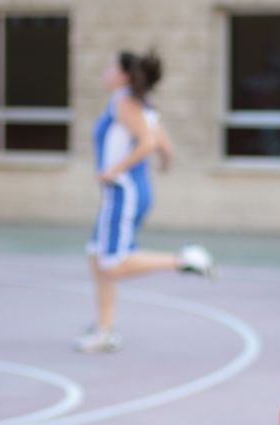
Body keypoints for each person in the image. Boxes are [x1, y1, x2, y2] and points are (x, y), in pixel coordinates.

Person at [73, 50, 214, 354]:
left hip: (124, 192)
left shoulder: (123, 101)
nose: (105, 71)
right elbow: (163, 144)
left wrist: (114, 169)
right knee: (97, 255)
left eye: (110, 67)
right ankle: (104, 329)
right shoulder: (143, 104)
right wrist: (166, 162)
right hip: (130, 191)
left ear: (123, 75)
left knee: (113, 264)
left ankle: (185, 260)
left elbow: (148, 142)